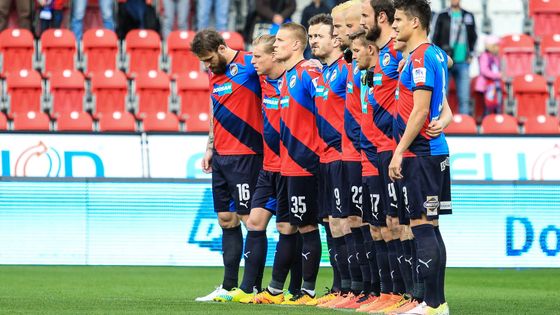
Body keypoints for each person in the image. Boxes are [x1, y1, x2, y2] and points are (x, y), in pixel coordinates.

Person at [213, 34, 303, 304]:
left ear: (274, 56)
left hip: (292, 166)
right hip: (268, 166)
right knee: (254, 222)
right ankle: (248, 287)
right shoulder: (261, 82)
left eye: (257, 57)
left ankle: (296, 290)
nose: (252, 62)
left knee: (296, 227)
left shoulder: (294, 80)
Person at [191, 29, 264, 302]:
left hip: (248, 154)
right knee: (226, 219)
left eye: (209, 59)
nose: (207, 65)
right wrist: (209, 146)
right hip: (221, 155)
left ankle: (252, 287)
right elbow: (214, 108)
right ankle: (229, 286)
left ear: (222, 48)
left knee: (250, 220)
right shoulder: (214, 74)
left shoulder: (250, 64)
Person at [391, 0, 453, 314]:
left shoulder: (419, 58)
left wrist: (398, 151)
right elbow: (442, 98)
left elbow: (419, 111)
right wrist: (448, 116)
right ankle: (437, 303)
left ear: (415, 22)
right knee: (430, 224)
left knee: (421, 224)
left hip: (421, 153)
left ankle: (431, 303)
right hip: (434, 151)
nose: (393, 26)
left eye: (399, 19)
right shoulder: (437, 54)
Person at [264, 22, 323, 305]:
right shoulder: (288, 76)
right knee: (287, 228)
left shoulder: (309, 72)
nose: (275, 45)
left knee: (308, 227)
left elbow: (327, 111)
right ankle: (276, 289)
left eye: (280, 40)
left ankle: (308, 291)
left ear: (296, 45)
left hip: (305, 165)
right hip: (287, 165)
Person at [305, 12, 349, 307]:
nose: (312, 42)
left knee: (345, 223)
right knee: (329, 223)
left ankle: (354, 288)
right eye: (309, 37)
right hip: (323, 158)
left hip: (344, 157)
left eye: (318, 36)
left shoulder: (347, 69)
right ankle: (338, 286)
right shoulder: (322, 72)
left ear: (336, 39)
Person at [432, 0, 478, 115]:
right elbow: (435, 37)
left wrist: (471, 54)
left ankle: (465, 126)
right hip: (445, 61)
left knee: (464, 97)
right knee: (442, 95)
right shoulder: (441, 16)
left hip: (463, 62)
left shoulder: (468, 16)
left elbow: (474, 36)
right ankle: (440, 124)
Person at [475, 35, 502, 116]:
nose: (498, 48)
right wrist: (497, 75)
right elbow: (484, 71)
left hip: (494, 86)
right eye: (497, 46)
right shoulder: (484, 56)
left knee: (496, 106)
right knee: (487, 108)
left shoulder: (495, 57)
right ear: (491, 46)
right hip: (486, 87)